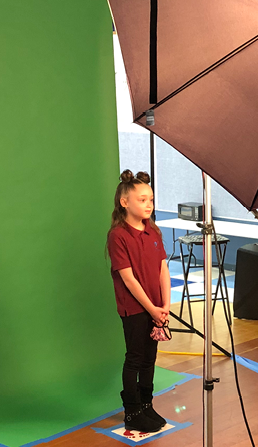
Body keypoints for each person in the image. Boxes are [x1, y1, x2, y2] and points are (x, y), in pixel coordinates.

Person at [106, 169, 171, 433]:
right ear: (125, 202)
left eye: (151, 200)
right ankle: (132, 411)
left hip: (157, 308)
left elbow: (162, 269)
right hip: (135, 309)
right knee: (135, 357)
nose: (148, 204)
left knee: (150, 358)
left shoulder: (153, 231)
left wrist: (165, 306)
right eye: (142, 199)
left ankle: (147, 404)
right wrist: (152, 309)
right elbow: (129, 279)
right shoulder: (118, 236)